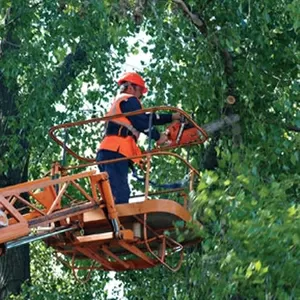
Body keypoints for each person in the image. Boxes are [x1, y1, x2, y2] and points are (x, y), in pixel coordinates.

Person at [96, 72, 180, 204]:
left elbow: (147, 118)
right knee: (120, 194)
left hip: (109, 151)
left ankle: (113, 220)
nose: (141, 97)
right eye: (140, 91)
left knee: (114, 193)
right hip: (115, 151)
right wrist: (158, 137)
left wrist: (171, 117)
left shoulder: (122, 103)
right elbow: (141, 122)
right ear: (130, 87)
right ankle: (116, 223)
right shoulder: (129, 100)